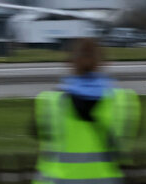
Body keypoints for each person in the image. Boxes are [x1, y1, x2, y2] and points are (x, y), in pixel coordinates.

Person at [32, 37, 140, 184]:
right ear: (104, 64)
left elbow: (37, 133)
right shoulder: (123, 102)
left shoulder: (50, 102)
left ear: (70, 64)